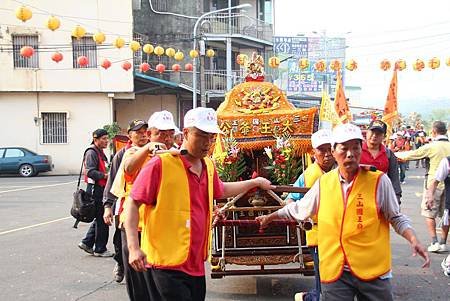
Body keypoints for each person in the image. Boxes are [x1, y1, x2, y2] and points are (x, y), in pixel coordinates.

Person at [256, 123, 430, 301]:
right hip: (335, 271)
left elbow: (396, 217)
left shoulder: (379, 181)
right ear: (334, 151)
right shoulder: (324, 183)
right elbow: (299, 208)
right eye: (344, 148)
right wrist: (271, 217)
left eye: (355, 148)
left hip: (372, 270)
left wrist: (413, 239)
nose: (350, 154)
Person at [124, 107, 274, 301]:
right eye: (201, 136)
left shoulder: (208, 166)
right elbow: (132, 203)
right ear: (186, 133)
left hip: (195, 264)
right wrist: (133, 248)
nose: (207, 143)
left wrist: (254, 182)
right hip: (165, 263)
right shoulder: (161, 164)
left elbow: (221, 189)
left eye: (211, 137)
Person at [111, 111, 177, 301]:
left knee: (159, 279)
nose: (166, 139)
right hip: (136, 226)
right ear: (150, 135)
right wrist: (148, 148)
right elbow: (129, 167)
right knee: (139, 283)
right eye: (161, 134)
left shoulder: (172, 154)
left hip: (159, 227)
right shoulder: (132, 153)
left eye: (170, 134)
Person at [285, 129, 335, 301]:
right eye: (322, 150)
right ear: (314, 153)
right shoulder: (307, 176)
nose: (327, 154)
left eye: (331, 149)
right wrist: (301, 215)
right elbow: (290, 200)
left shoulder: (345, 170)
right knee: (326, 283)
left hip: (344, 235)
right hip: (319, 236)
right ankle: (309, 298)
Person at [103, 119, 148, 283]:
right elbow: (113, 180)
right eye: (138, 133)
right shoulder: (123, 155)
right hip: (126, 206)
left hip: (148, 211)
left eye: (145, 132)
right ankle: (120, 264)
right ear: (130, 135)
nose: (143, 136)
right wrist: (107, 206)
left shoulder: (153, 152)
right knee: (122, 239)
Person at [396, 121, 450, 253]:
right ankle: (443, 242)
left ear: (433, 131)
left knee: (428, 213)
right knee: (446, 215)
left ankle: (434, 241)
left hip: (433, 184)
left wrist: (393, 154)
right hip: (448, 185)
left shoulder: (431, 146)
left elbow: (410, 155)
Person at [78, 129, 113, 257]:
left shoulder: (101, 152)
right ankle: (100, 249)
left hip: (101, 188)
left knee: (100, 218)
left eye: (107, 138)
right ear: (95, 139)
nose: (106, 141)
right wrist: (105, 176)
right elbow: (90, 171)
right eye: (103, 138)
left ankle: (87, 242)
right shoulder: (91, 153)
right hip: (95, 189)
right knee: (102, 219)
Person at [360, 120, 402, 204]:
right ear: (367, 132)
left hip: (381, 197)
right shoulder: (357, 151)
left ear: (384, 136)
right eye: (372, 132)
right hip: (359, 196)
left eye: (378, 133)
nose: (374, 135)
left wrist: (396, 198)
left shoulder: (389, 154)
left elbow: (394, 178)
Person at [425, 156, 450, 255]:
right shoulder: (447, 162)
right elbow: (435, 181)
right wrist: (430, 196)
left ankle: (440, 243)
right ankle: (439, 242)